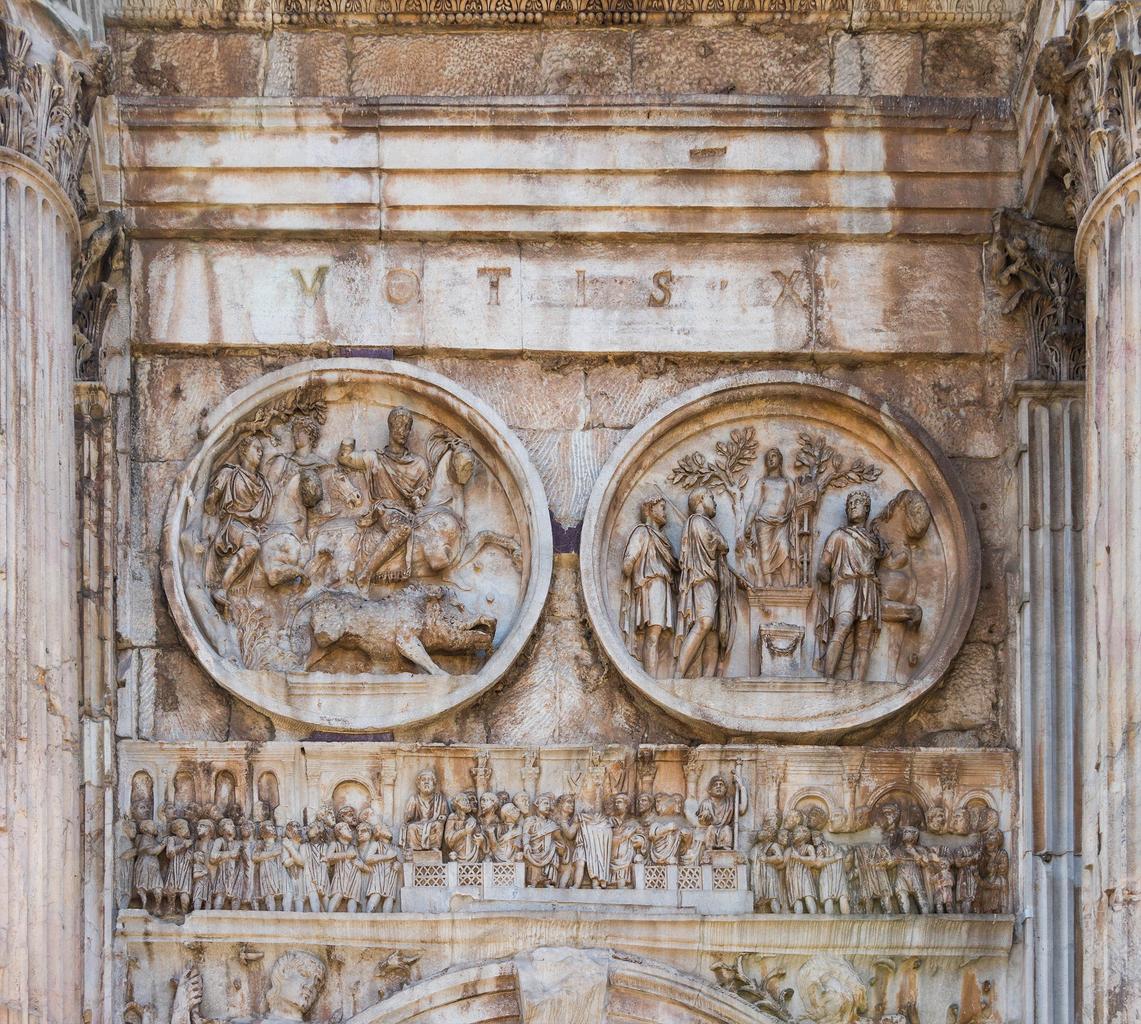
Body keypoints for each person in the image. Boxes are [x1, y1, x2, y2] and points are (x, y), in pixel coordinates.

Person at [338, 406, 432, 587]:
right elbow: (345, 458)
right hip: (385, 510)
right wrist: (347, 441)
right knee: (403, 528)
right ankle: (366, 574)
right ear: (390, 427)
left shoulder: (419, 465)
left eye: (407, 427)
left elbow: (420, 497)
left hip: (409, 513)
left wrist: (416, 501)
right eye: (399, 425)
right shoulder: (375, 458)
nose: (403, 431)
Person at [815, 489, 884, 680]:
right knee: (842, 626)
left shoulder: (874, 541)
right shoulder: (839, 535)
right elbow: (823, 564)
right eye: (849, 504)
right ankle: (828, 678)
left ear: (867, 508)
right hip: (846, 585)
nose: (852, 506)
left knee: (863, 639)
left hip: (868, 587)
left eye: (857, 502)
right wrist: (824, 574)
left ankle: (857, 686)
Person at [205, 434, 273, 608]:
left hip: (251, 528)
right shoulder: (229, 473)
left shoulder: (263, 484)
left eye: (262, 450)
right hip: (232, 525)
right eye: (256, 448)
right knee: (253, 546)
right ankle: (222, 588)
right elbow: (210, 502)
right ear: (243, 451)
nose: (260, 452)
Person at [676, 489, 736, 678]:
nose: (715, 502)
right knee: (705, 622)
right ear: (701, 499)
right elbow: (719, 543)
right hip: (701, 579)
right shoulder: (697, 522)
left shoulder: (705, 523)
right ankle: (678, 674)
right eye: (712, 497)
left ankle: (708, 681)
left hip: (714, 581)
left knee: (713, 635)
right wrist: (719, 539)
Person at [620, 496, 678, 676]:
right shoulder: (642, 532)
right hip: (652, 585)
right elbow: (630, 558)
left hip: (664, 586)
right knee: (653, 632)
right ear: (650, 510)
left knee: (662, 634)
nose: (664, 511)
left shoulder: (663, 539)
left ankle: (655, 674)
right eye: (661, 507)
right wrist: (629, 564)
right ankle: (650, 677)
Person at [742, 447, 796, 587]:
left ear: (780, 460)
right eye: (768, 458)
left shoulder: (788, 482)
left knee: (785, 551)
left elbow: (795, 501)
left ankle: (788, 585)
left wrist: (788, 515)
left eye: (773, 456)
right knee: (764, 552)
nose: (770, 459)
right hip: (763, 521)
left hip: (783, 522)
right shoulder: (762, 482)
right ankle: (768, 585)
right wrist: (748, 523)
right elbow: (754, 504)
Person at [403, 768, 448, 853]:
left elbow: (445, 814)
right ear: (418, 785)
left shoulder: (440, 799)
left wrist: (443, 817)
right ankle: (414, 849)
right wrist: (408, 814)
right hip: (419, 824)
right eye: (423, 780)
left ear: (434, 785)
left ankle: (435, 847)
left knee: (439, 825)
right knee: (411, 827)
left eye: (429, 780)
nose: (426, 782)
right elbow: (407, 819)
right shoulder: (414, 799)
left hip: (434, 824)